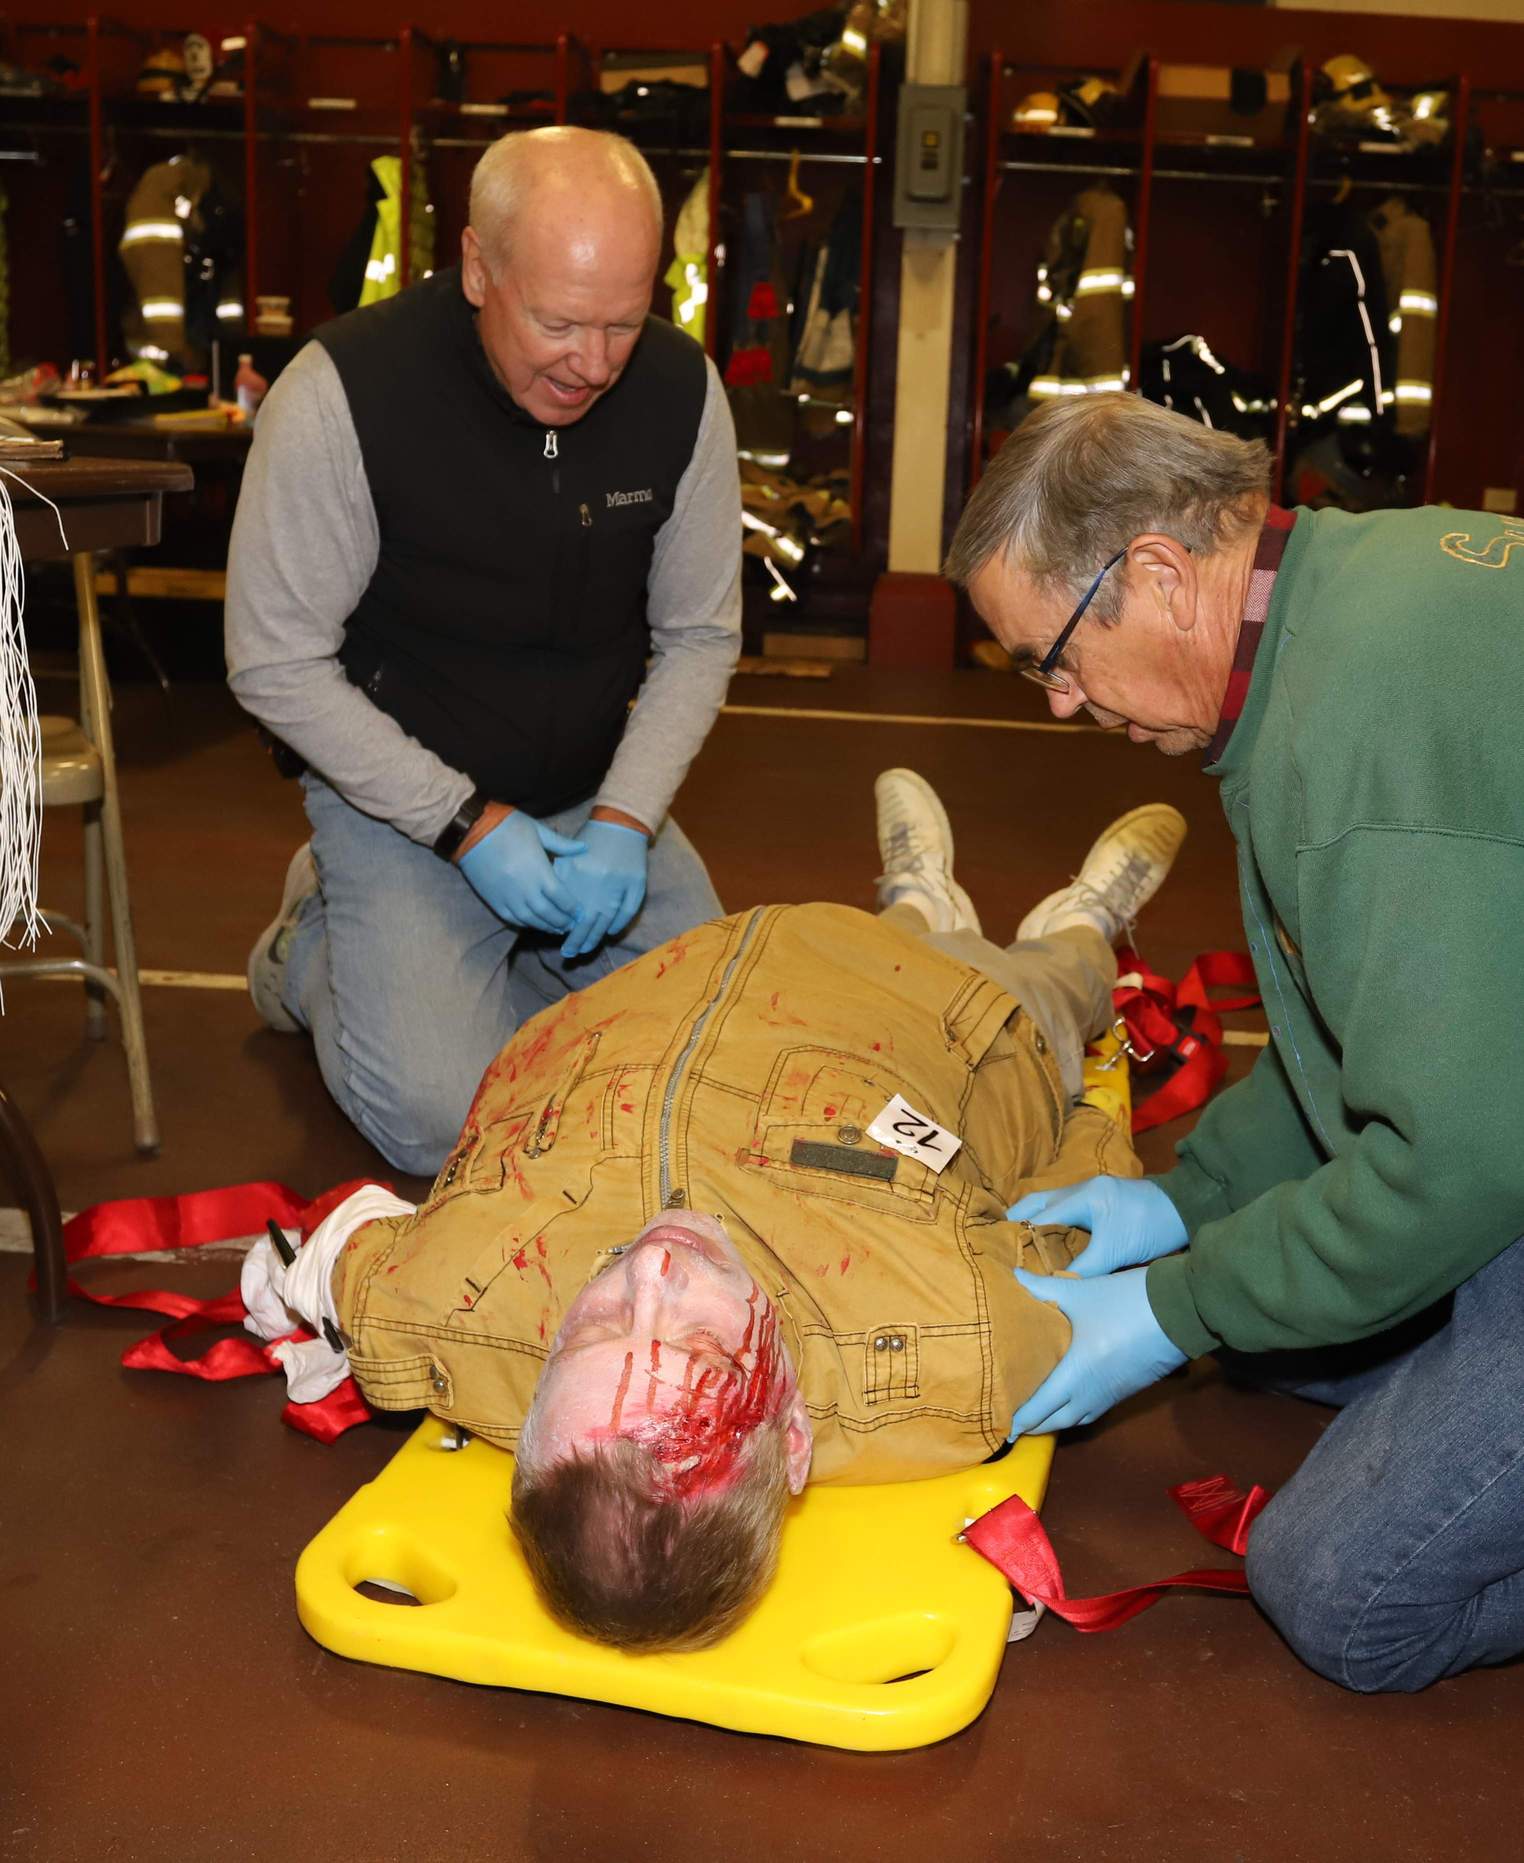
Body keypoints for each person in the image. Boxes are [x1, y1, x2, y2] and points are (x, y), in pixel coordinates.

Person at [241, 769, 1187, 1651]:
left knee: (902, 926)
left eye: (593, 1328)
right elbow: (1084, 1215)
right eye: (698, 1344)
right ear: (795, 1439)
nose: (652, 1271)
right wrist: (1082, 1118)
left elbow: (339, 1264)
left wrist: (283, 1293)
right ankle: (1082, 920)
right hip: (943, 1015)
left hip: (689, 980)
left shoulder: (444, 1313)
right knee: (1056, 986)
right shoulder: (955, 1343)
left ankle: (915, 897)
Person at [945, 389, 1524, 1695]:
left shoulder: (1367, 752)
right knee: (1282, 1329)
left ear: (1157, 574)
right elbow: (1360, 1041)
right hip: (1501, 1109)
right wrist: (1184, 1202)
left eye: (1051, 656)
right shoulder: (1335, 606)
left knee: (1344, 1591)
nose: (1058, 703)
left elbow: (1457, 1160)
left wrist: (1175, 1304)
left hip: (1496, 1151)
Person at [226, 127, 742, 1176]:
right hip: (405, 810)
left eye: (623, 323)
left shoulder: (682, 392)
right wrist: (461, 823)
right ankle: (309, 943)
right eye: (558, 323)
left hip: (592, 799)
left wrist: (627, 819)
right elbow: (273, 659)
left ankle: (484, 967)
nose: (594, 364)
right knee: (439, 1121)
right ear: (476, 267)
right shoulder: (344, 393)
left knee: (719, 1053)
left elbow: (699, 635)